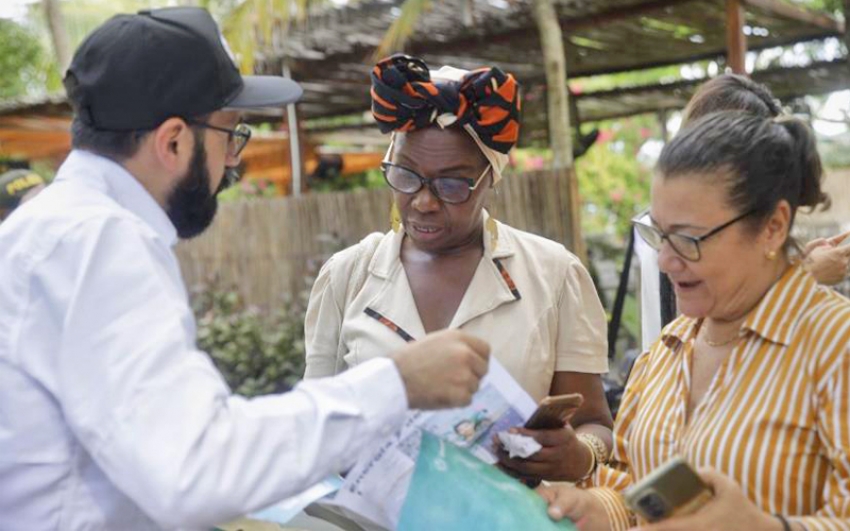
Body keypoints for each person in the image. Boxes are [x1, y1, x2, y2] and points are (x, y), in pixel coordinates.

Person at [0, 9, 492, 530]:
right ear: (173, 142)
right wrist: (396, 383)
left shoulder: (49, 231)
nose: (232, 164)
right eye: (231, 135)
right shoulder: (98, 243)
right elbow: (195, 468)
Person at [304, 54, 613, 489]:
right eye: (406, 176)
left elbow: (595, 423)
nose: (424, 202)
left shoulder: (554, 275)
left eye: (452, 184)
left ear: (491, 177)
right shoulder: (347, 277)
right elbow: (316, 423)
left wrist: (580, 456)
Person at [540, 111, 850, 530]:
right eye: (659, 235)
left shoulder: (835, 346)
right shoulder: (668, 347)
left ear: (773, 228)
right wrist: (598, 508)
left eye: (688, 239)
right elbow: (633, 486)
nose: (666, 260)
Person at [637, 74, 849, 349]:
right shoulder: (661, 360)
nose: (666, 260)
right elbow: (697, 323)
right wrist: (806, 276)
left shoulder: (834, 346)